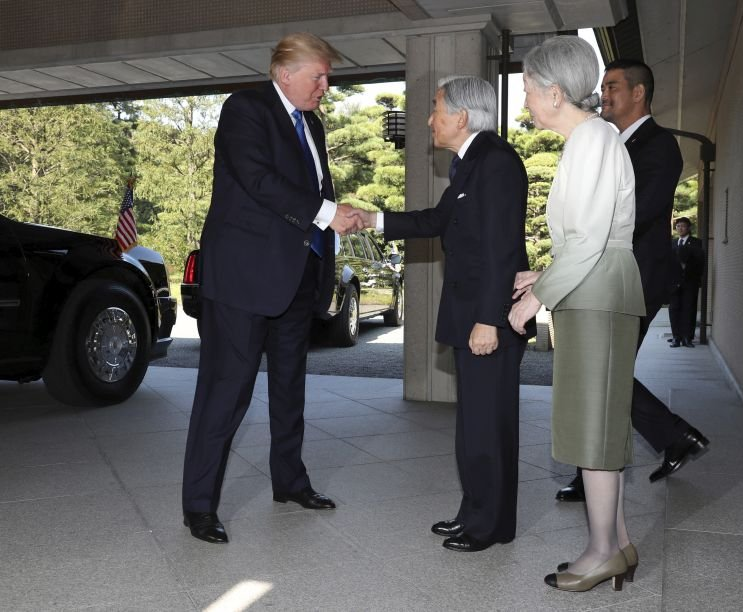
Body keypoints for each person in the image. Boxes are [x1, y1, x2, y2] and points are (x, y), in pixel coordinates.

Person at [181, 32, 364, 544]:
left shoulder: (313, 124)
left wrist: (328, 226)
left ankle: (290, 481)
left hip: (297, 278)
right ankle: (199, 505)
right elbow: (258, 180)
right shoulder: (246, 109)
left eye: (327, 77)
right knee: (225, 392)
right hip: (243, 279)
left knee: (290, 389)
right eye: (319, 75)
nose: (326, 85)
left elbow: (313, 191)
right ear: (285, 73)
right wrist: (328, 213)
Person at [356, 75, 534, 553]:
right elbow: (438, 221)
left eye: (435, 109)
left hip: (485, 316)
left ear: (461, 116)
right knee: (475, 424)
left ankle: (489, 525)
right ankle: (476, 513)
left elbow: (501, 250)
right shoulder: (470, 163)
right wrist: (371, 219)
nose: (429, 119)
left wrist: (489, 319)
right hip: (471, 312)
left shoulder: (496, 162)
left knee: (488, 426)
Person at [508, 36, 644, 593]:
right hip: (595, 288)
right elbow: (593, 236)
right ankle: (619, 542)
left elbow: (589, 238)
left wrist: (534, 300)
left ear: (555, 92)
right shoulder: (592, 139)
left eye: (528, 91)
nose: (525, 104)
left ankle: (602, 551)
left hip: (597, 294)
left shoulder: (591, 140)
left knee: (594, 428)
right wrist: (545, 275)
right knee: (596, 423)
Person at [555, 60, 710, 501]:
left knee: (603, 372)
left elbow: (636, 213)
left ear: (639, 93)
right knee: (606, 372)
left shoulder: (658, 146)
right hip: (608, 275)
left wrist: (584, 235)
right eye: (603, 86)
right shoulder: (611, 142)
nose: (603, 94)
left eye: (613, 86)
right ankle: (667, 440)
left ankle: (660, 443)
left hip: (635, 278)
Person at [669, 216, 704, 347]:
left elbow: (700, 261)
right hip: (674, 283)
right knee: (674, 310)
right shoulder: (672, 243)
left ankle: (687, 338)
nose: (680, 228)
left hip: (690, 282)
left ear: (689, 228)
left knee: (689, 309)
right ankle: (676, 337)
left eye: (683, 226)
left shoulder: (696, 242)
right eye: (678, 226)